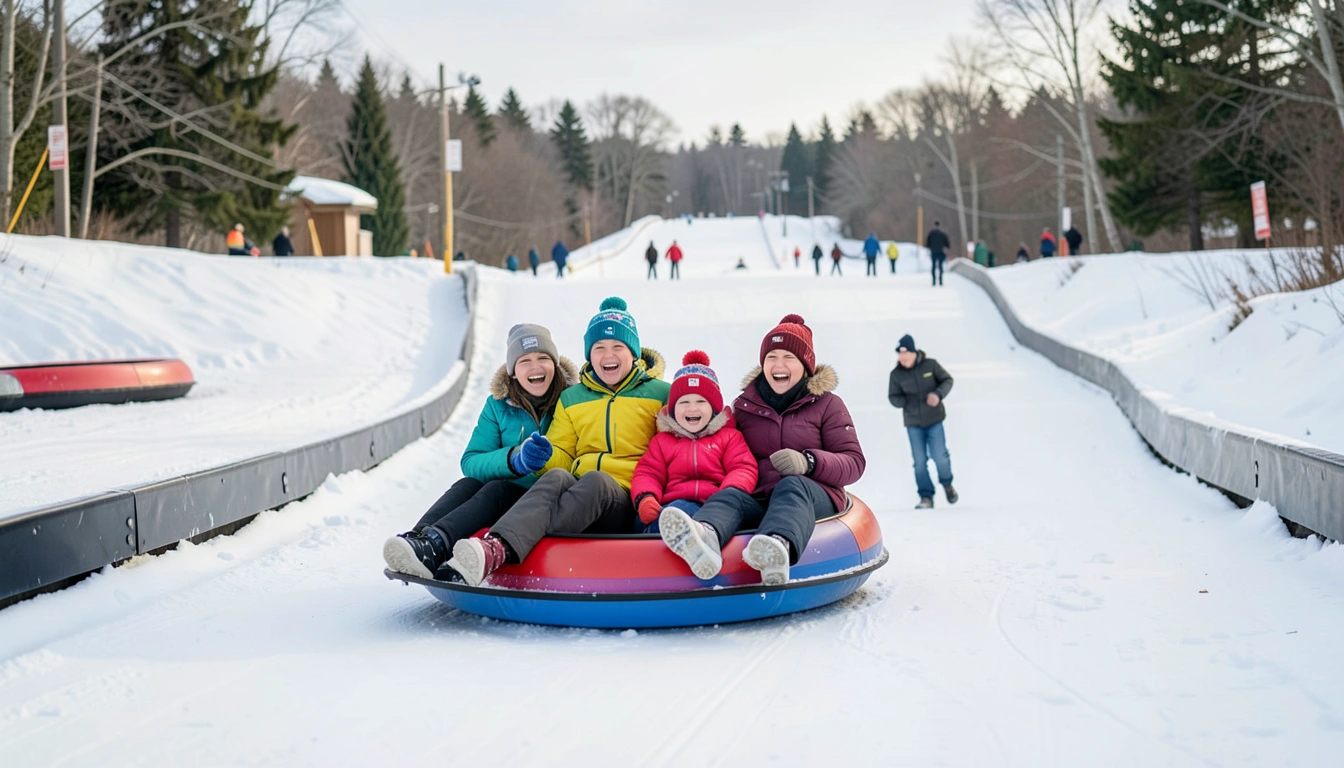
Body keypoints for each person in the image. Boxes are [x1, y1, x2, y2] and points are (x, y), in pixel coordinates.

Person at [446, 297, 670, 586]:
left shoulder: (661, 393)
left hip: (628, 499)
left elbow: (672, 451)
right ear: (590, 355)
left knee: (596, 481)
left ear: (634, 353)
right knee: (557, 476)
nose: (608, 355)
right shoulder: (573, 398)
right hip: (581, 500)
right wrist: (542, 457)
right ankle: (495, 548)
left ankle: (528, 546)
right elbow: (563, 451)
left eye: (618, 347)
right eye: (599, 348)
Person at [658, 314, 865, 584]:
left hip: (813, 498)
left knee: (793, 485)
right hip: (761, 497)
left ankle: (776, 547)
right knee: (731, 494)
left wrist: (809, 462)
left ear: (805, 364)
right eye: (771, 357)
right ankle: (705, 536)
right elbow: (727, 453)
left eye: (788, 357)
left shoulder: (827, 404)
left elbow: (854, 463)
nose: (779, 365)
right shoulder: (745, 407)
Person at [382, 324, 578, 578]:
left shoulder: (573, 400)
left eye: (543, 358)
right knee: (467, 484)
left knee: (498, 489)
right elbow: (472, 461)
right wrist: (514, 460)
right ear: (513, 372)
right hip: (507, 492)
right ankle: (420, 540)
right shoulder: (498, 406)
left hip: (546, 499)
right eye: (525, 361)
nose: (536, 367)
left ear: (555, 363)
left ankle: (438, 545)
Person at [629, 351, 757, 538]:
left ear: (713, 409)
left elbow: (743, 468)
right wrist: (645, 497)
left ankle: (664, 539)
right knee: (648, 519)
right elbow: (648, 473)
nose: (692, 408)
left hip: (715, 507)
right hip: (669, 506)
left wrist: (730, 492)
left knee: (677, 514)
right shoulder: (663, 441)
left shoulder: (729, 437)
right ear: (673, 410)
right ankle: (650, 541)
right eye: (684, 402)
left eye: (701, 402)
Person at [888, 334, 956, 509]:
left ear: (913, 352)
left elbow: (947, 380)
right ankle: (926, 497)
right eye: (899, 354)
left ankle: (947, 484)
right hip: (913, 424)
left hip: (934, 420)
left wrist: (938, 395)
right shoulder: (896, 375)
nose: (902, 358)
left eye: (905, 354)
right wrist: (904, 401)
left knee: (940, 456)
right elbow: (893, 397)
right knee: (919, 462)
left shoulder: (930, 365)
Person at [925, 221, 950, 286]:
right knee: (940, 266)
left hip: (933, 252)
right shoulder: (942, 234)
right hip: (941, 252)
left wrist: (930, 247)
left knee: (933, 265)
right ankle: (940, 280)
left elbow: (927, 244)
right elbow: (947, 244)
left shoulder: (931, 234)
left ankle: (934, 280)